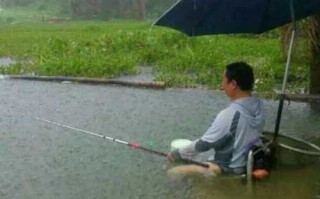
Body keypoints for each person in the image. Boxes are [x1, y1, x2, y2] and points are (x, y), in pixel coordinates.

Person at [167, 61, 265, 176]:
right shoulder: (259, 105)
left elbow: (204, 144)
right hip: (248, 162)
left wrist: (176, 154)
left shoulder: (230, 114)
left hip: (230, 168)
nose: (222, 84)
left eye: (224, 80)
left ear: (233, 84)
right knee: (196, 156)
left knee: (174, 172)